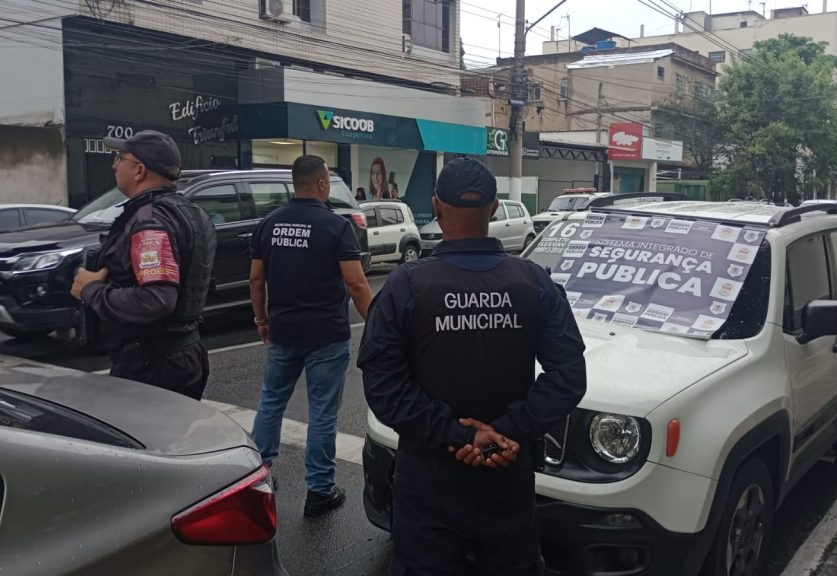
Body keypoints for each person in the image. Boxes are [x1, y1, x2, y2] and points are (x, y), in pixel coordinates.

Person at [358, 157, 587, 574]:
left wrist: (456, 434)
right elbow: (569, 377)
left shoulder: (406, 286)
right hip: (507, 473)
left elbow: (383, 386)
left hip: (428, 479)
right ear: (494, 209)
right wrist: (507, 432)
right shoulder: (532, 282)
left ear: (436, 207)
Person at [249, 154, 374, 518]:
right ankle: (319, 491)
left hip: (283, 330)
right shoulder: (336, 226)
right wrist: (378, 324)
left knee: (271, 403)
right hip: (326, 334)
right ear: (321, 183)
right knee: (322, 413)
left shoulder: (269, 223)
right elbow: (356, 283)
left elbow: (256, 278)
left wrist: (261, 319)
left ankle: (256, 479)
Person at [70, 130, 216, 400]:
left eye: (120, 157)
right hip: (176, 355)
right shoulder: (189, 212)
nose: (114, 165)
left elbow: (157, 299)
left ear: (139, 170)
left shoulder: (150, 221)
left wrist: (91, 290)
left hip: (152, 365)